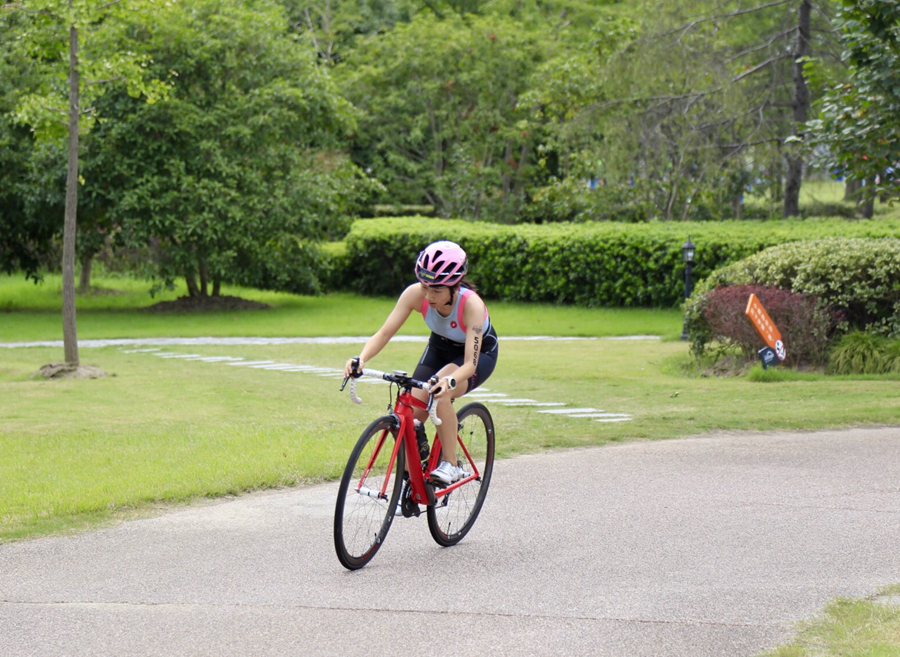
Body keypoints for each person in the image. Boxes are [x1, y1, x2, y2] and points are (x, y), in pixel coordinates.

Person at [343, 240, 499, 484]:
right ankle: (410, 482)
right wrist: (361, 358)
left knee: (439, 392)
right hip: (439, 347)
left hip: (478, 355)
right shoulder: (415, 294)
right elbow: (384, 333)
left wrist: (450, 380)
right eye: (425, 287)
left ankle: (451, 464)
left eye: (437, 290)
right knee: (410, 415)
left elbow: (469, 363)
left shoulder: (472, 305)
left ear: (454, 287)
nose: (429, 295)